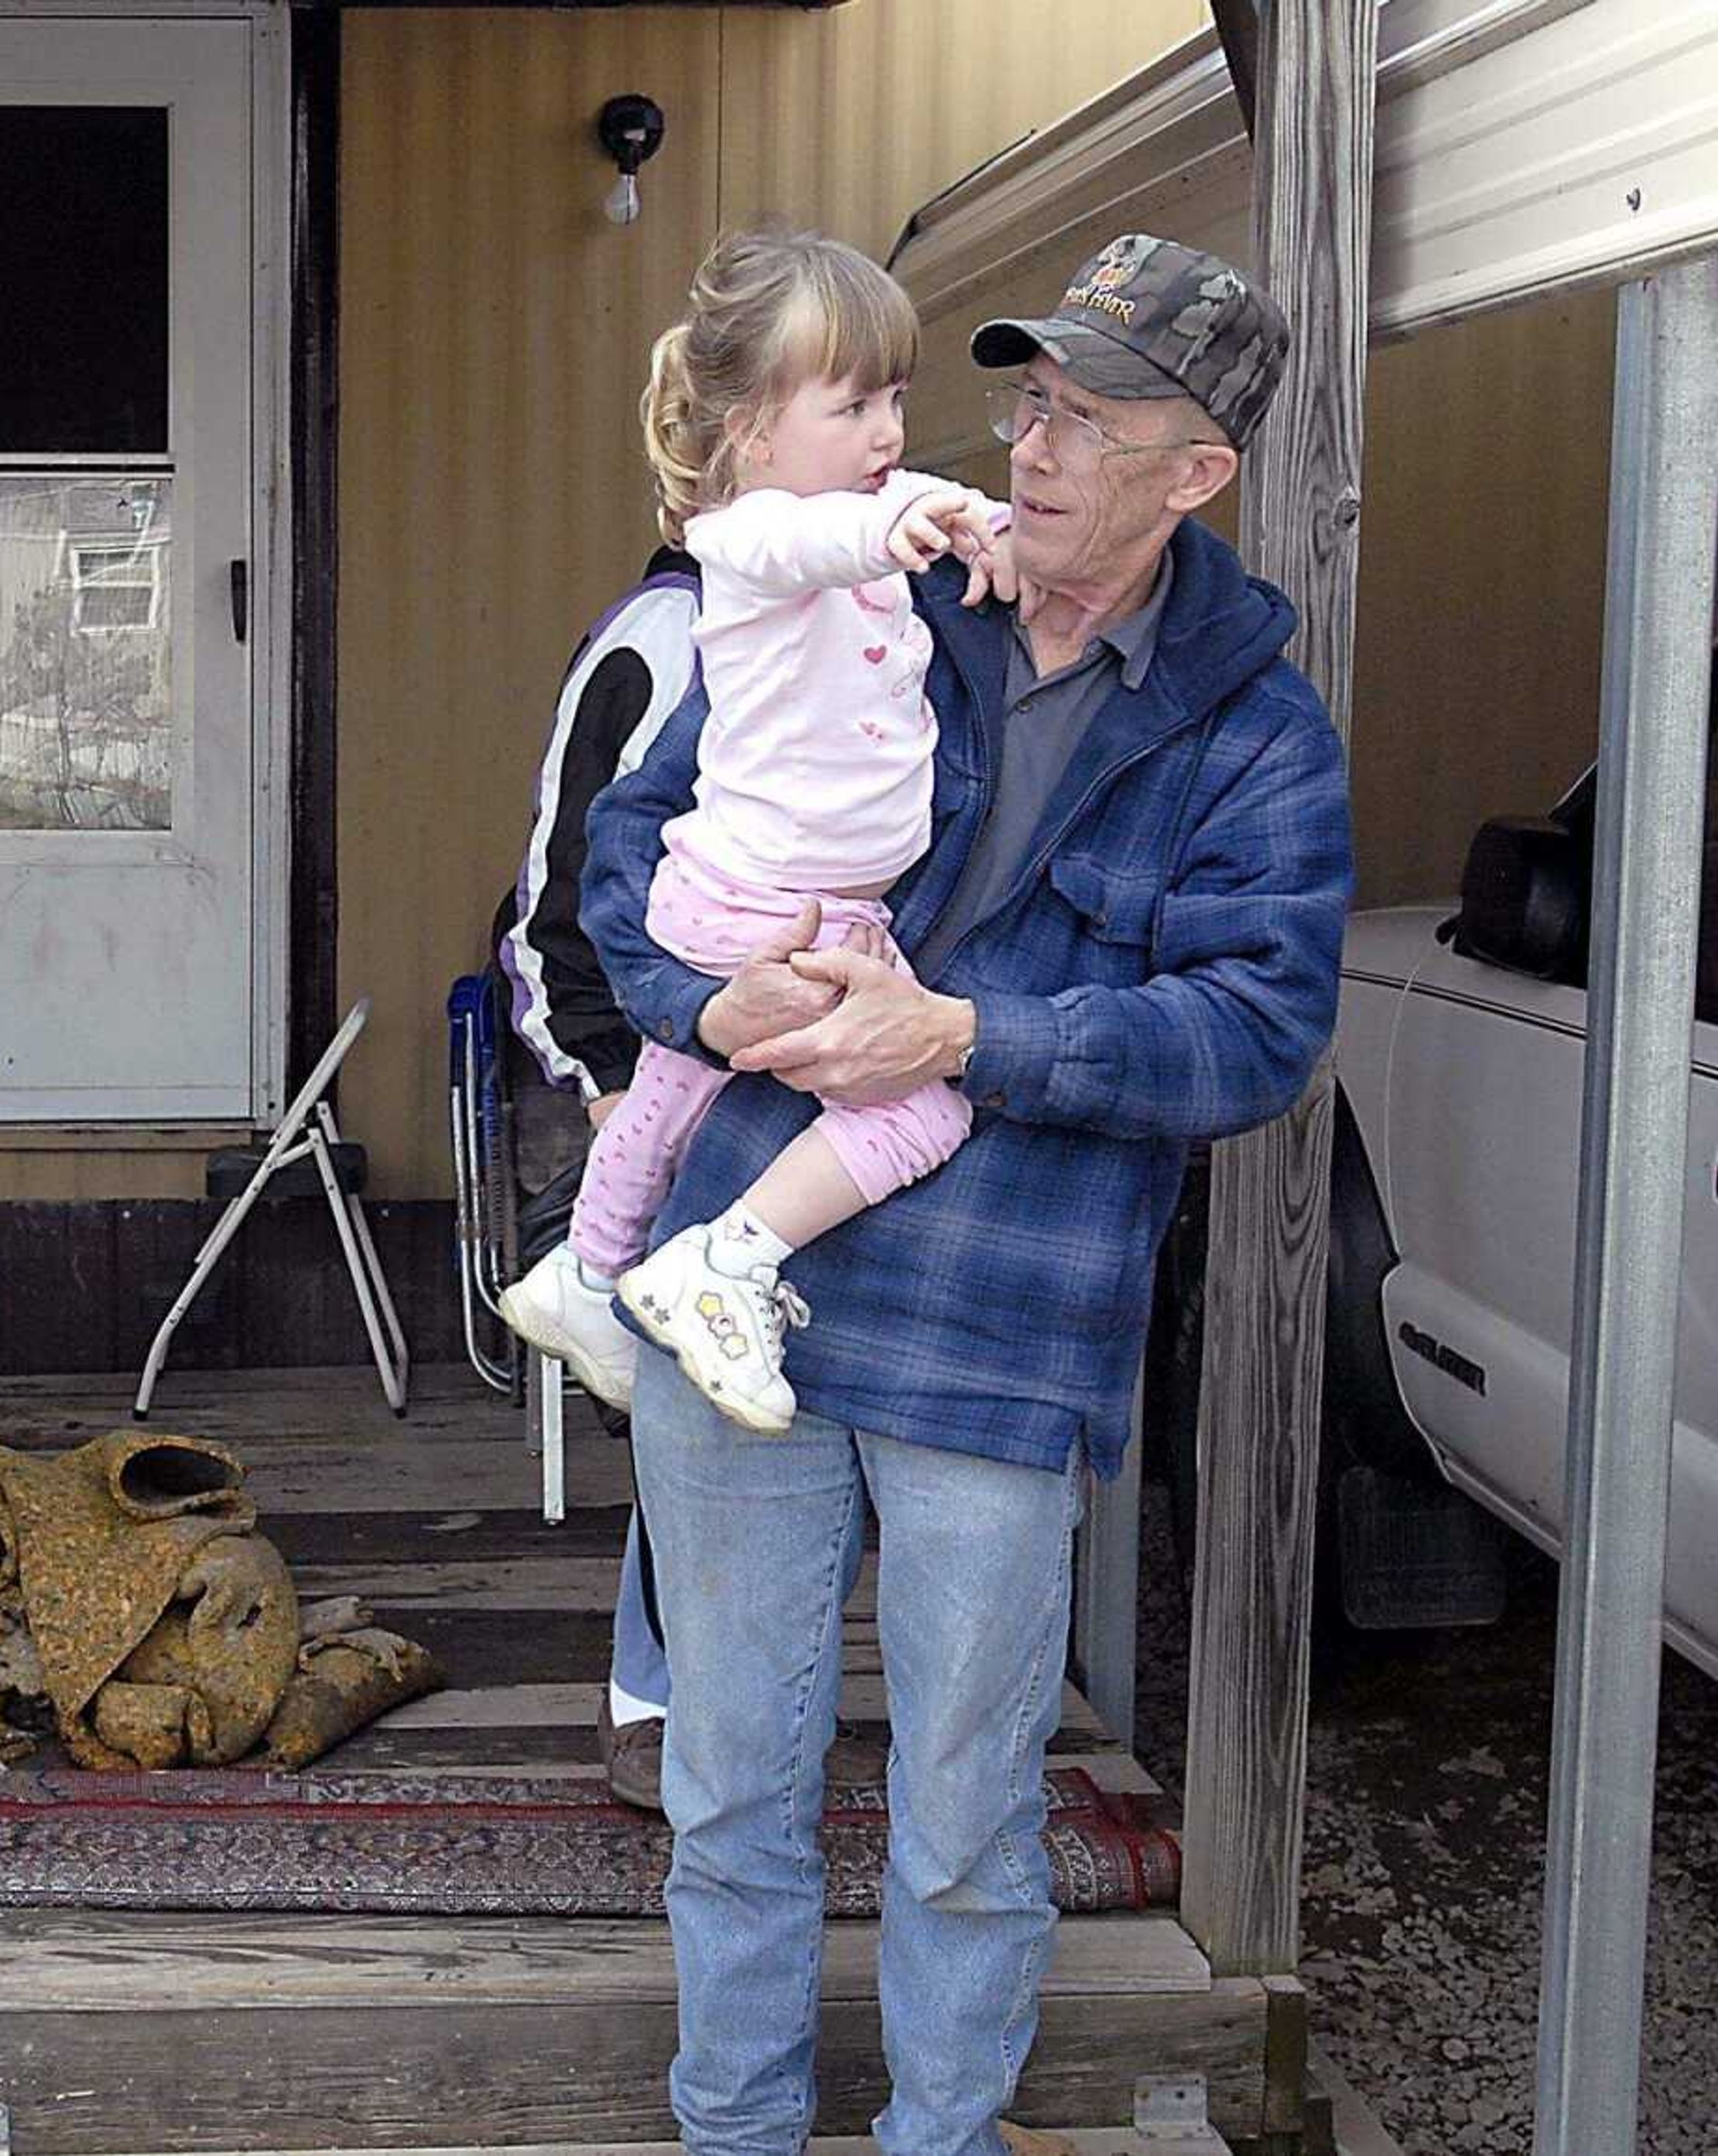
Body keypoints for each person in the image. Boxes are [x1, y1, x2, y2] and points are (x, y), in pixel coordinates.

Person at [583, 231, 1350, 2154]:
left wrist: (966, 1037)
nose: (1028, 442)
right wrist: (705, 994)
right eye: (1025, 396)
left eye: (1088, 417)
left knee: (963, 1824)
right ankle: (736, 2132)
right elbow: (634, 842)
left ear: (1199, 472)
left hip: (1006, 1332)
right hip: (739, 1293)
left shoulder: (1256, 731)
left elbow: (1256, 1031)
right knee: (733, 1795)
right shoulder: (884, 589)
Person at [500, 232, 1011, 1434]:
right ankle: (728, 1258)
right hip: (775, 900)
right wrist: (909, 525)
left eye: (897, 398)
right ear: (751, 437)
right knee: (921, 1111)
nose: (887, 432)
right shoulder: (748, 541)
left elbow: (893, 518)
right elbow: (822, 539)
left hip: (773, 895)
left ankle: (587, 1273)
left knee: (673, 1092)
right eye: (851, 405)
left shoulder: (864, 527)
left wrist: (975, 522)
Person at [490, 503, 702, 1810]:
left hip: (802, 1060)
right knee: (690, 1409)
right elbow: (557, 891)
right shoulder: (663, 640)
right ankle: (654, 1695)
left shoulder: (854, 617)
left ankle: (719, 1698)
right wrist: (607, 1078)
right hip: (661, 1079)